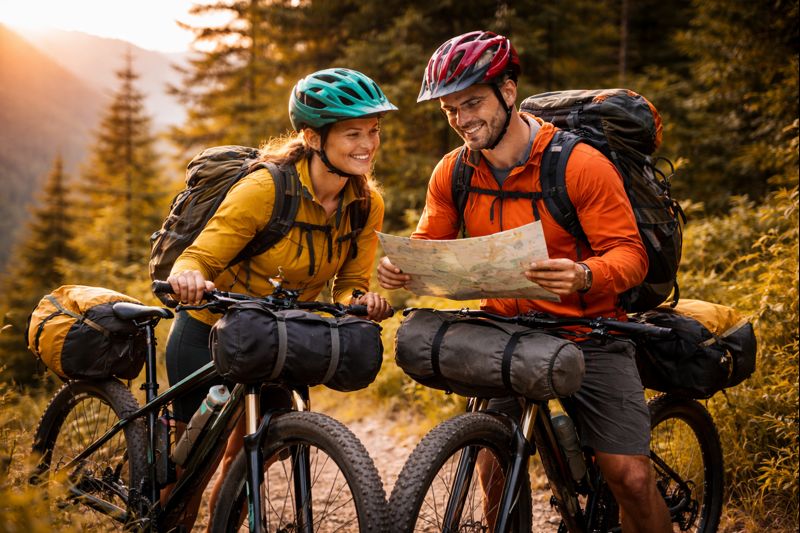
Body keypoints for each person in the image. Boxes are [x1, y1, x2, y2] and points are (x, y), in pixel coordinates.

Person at [378, 31, 672, 532]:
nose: (462, 120)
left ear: (508, 92)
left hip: (591, 333)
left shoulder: (579, 164)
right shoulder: (453, 172)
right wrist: (405, 266)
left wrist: (583, 275)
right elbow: (432, 240)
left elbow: (631, 255)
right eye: (450, 110)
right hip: (506, 335)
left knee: (629, 477)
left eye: (472, 103)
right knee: (494, 459)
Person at [165, 67, 395, 529]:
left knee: (253, 456)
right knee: (189, 469)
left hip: (277, 337)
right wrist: (189, 278)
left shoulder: (367, 204)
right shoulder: (264, 189)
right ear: (313, 138)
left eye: (372, 132)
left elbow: (350, 280)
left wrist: (360, 300)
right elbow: (199, 257)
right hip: (210, 330)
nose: (368, 144)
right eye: (353, 134)